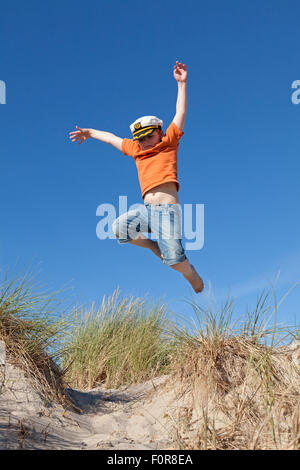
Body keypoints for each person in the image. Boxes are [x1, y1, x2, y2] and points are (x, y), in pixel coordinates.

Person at [69, 61, 204, 293]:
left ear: (159, 132)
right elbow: (111, 138)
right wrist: (90, 133)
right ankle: (153, 247)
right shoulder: (136, 150)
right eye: (139, 139)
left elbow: (180, 112)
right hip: (147, 211)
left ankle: (191, 273)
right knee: (119, 228)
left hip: (167, 212)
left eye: (147, 137)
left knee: (174, 261)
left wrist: (182, 84)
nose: (143, 143)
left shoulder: (169, 143)